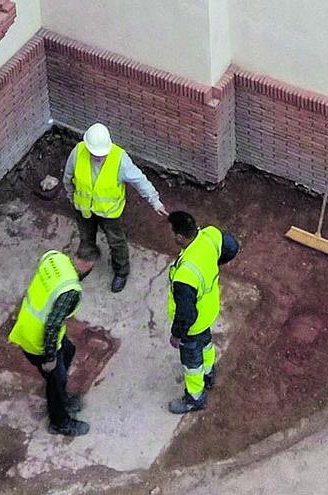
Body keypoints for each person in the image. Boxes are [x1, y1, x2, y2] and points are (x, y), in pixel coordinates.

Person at [63, 123, 169, 293]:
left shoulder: (120, 159)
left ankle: (121, 271)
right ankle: (87, 259)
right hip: (83, 209)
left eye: (102, 154)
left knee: (116, 242)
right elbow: (68, 177)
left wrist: (154, 201)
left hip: (109, 213)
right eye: (95, 154)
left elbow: (139, 180)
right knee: (86, 237)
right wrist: (72, 198)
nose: (99, 157)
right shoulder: (78, 152)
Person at [8, 250, 90, 436]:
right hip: (38, 341)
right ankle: (60, 422)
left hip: (27, 326)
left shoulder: (55, 258)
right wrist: (51, 357)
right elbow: (52, 326)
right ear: (89, 266)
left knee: (68, 351)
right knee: (56, 379)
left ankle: (60, 394)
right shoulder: (70, 290)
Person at [166, 211, 239, 414]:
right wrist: (215, 264)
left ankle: (195, 399)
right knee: (206, 344)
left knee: (191, 364)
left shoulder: (186, 274)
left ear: (180, 237)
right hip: (209, 311)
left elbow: (185, 314)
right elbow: (232, 246)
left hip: (193, 324)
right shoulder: (210, 235)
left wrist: (176, 334)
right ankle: (209, 374)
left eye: (173, 233)